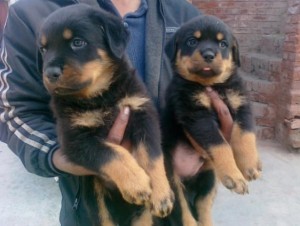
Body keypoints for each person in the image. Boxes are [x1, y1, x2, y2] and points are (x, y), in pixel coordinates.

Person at [0, 0, 233, 225]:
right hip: (92, 211)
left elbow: (210, 92)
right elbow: (15, 112)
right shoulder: (30, 12)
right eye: (45, 49)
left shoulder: (184, 14)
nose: (50, 65)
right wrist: (67, 155)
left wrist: (200, 142)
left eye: (78, 44)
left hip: (177, 207)